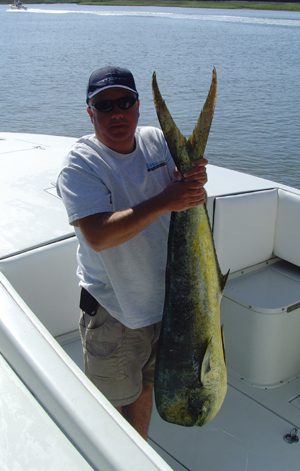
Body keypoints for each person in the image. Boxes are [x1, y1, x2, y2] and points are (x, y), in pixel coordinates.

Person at [56, 66, 207, 439]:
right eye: (104, 106)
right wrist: (164, 201)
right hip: (116, 312)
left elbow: (182, 195)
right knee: (109, 406)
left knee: (146, 386)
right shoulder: (80, 165)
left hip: (167, 305)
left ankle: (137, 453)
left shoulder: (156, 141)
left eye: (124, 102)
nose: (116, 113)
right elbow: (98, 236)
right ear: (89, 112)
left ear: (138, 106)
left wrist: (192, 182)